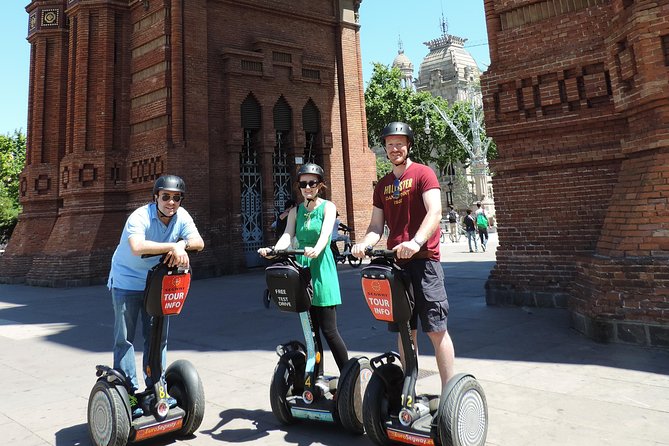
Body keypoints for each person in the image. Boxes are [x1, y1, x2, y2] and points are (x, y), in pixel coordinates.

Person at [352, 121, 455, 388]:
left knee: (435, 328)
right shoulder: (383, 185)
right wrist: (363, 243)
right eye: (389, 144)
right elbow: (376, 226)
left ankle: (449, 391)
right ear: (385, 148)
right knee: (404, 330)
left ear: (408, 145)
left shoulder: (424, 174)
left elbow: (434, 212)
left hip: (424, 262)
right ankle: (410, 389)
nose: (394, 148)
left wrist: (416, 241)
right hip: (396, 266)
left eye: (399, 143)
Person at [107, 174, 204, 417]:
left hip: (156, 284)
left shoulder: (181, 216)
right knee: (125, 338)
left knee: (157, 337)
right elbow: (137, 247)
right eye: (166, 197)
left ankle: (156, 387)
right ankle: (127, 392)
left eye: (176, 198)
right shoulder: (139, 216)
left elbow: (198, 242)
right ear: (156, 198)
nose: (171, 202)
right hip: (126, 280)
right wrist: (173, 246)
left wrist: (181, 245)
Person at [259, 163, 349, 377]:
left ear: (320, 185)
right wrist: (274, 250)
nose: (307, 187)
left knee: (329, 330)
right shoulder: (296, 211)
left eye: (312, 183)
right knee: (311, 332)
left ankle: (348, 375)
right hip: (302, 270)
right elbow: (287, 236)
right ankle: (316, 376)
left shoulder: (328, 207)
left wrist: (317, 249)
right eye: (303, 184)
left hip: (321, 269)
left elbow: (326, 233)